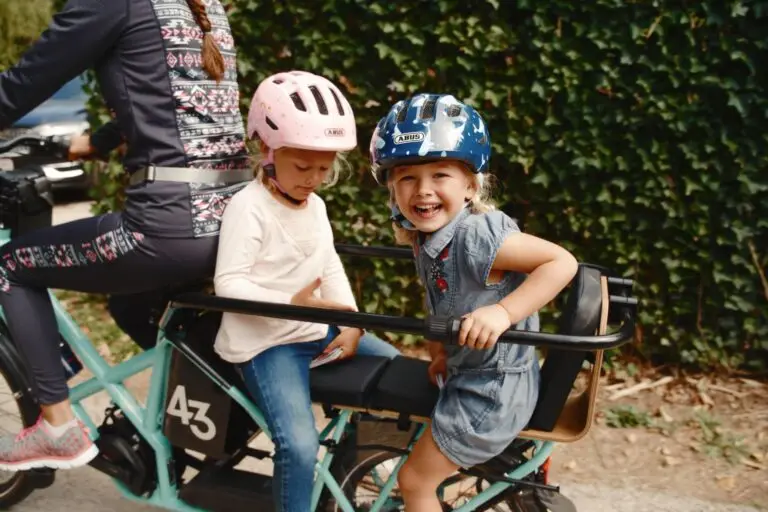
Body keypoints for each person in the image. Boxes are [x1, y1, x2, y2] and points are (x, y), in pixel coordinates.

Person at [0, 0, 252, 471]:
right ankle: (197, 418)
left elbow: (21, 85)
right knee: (129, 302)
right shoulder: (199, 4)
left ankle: (57, 429)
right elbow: (178, 93)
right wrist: (97, 141)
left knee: (9, 266)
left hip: (168, 226)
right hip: (232, 219)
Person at [368, 93, 579, 511]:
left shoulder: (477, 236)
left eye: (440, 175)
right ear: (392, 187)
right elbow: (442, 303)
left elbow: (561, 262)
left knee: (414, 482)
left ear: (470, 185)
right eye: (407, 177)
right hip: (474, 378)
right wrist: (441, 354)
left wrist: (503, 312)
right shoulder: (428, 239)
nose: (423, 191)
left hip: (492, 394)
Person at [213, 70, 400, 512]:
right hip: (266, 343)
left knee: (399, 379)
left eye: (324, 167)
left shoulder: (314, 204)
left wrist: (351, 320)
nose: (315, 178)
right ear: (267, 149)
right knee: (298, 447)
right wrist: (292, 307)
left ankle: (342, 481)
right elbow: (230, 283)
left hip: (316, 329)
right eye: (303, 166)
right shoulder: (249, 207)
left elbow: (327, 261)